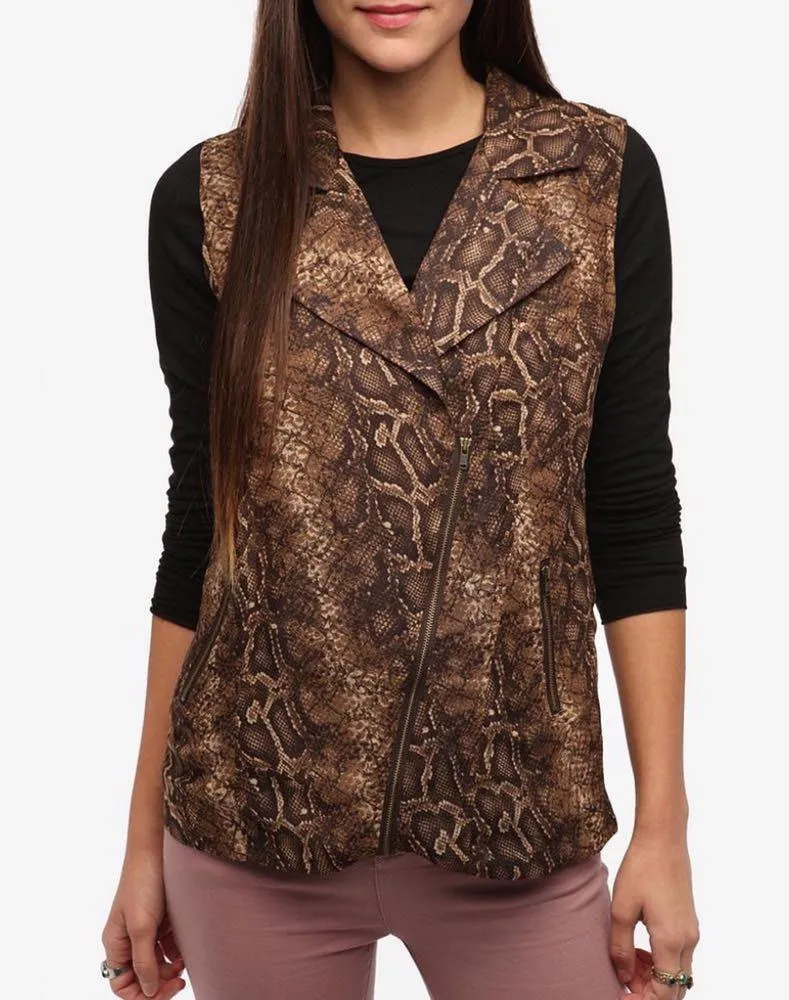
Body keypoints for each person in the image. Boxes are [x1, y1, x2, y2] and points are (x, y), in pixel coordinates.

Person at [101, 1, 700, 997]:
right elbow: (201, 527)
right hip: (256, 813)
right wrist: (140, 843)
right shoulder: (215, 197)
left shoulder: (593, 177)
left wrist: (664, 829)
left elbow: (633, 506)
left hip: (518, 809)